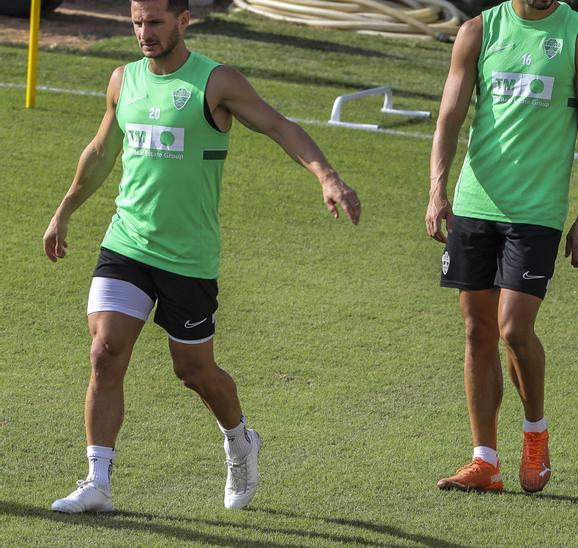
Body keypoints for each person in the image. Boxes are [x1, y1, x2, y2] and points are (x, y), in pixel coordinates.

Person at [42, 0, 362, 513]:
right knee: (105, 353)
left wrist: (327, 176)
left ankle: (240, 441)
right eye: (137, 22)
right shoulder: (123, 80)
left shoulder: (216, 83)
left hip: (188, 258)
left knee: (193, 371)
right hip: (126, 242)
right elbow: (102, 152)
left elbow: (279, 126)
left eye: (155, 22)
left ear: (183, 21)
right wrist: (63, 213)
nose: (144, 32)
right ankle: (97, 482)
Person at [426, 0, 578, 493]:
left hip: (537, 214)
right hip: (475, 203)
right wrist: (438, 190)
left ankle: (535, 435)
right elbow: (449, 116)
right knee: (476, 330)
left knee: (514, 328)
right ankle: (484, 460)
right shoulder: (478, 32)